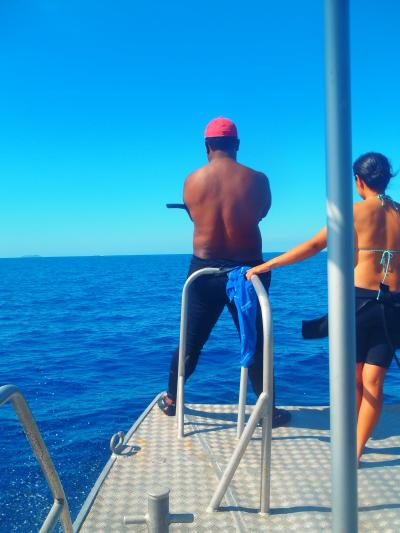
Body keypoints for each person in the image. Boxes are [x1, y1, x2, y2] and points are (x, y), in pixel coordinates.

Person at [246, 152, 400, 462]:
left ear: (358, 180)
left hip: (358, 303)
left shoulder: (352, 211)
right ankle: (356, 450)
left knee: (355, 379)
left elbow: (315, 245)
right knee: (374, 381)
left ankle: (351, 447)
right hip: (393, 305)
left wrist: (266, 265)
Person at [158, 117, 291, 427]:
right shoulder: (259, 180)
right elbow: (261, 213)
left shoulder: (191, 181)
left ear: (207, 146)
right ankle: (267, 411)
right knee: (257, 341)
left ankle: (172, 400)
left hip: (203, 273)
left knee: (190, 341)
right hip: (249, 273)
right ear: (237, 145)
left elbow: (194, 216)